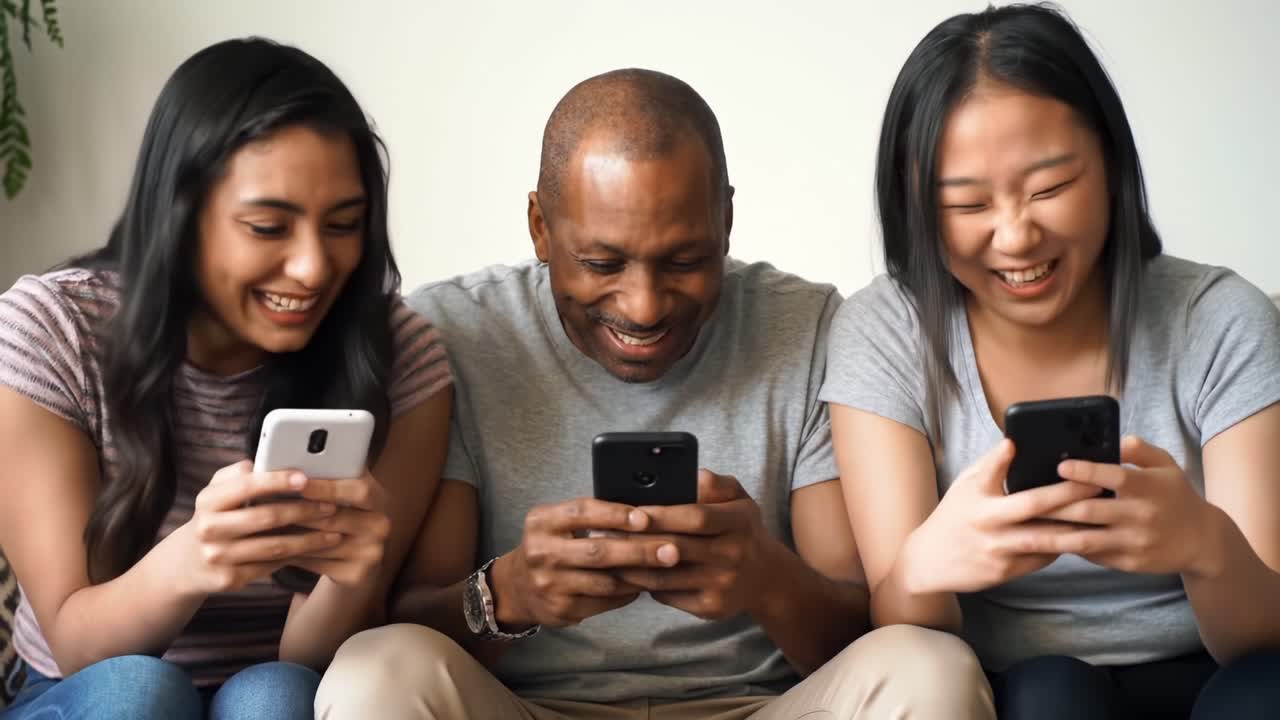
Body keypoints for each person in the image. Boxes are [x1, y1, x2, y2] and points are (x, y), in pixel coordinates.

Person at [315, 67, 993, 720]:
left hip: (760, 705)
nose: (643, 307)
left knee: (928, 667)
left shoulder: (807, 327)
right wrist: (511, 593)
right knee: (377, 668)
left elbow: (860, 631)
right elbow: (410, 615)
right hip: (524, 706)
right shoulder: (458, 333)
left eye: (686, 261)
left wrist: (763, 577)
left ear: (726, 220)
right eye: (603, 263)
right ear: (540, 227)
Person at [821, 5, 1280, 719]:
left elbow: (1263, 636)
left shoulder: (1220, 319)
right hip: (1023, 684)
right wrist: (925, 565)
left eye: (1050, 189)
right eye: (967, 204)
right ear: (915, 209)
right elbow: (910, 638)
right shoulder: (886, 333)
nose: (1016, 236)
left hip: (1221, 665)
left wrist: (1205, 544)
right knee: (1049, 696)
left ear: (1111, 166)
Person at [0, 38, 453, 719]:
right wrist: (194, 560)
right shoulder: (50, 330)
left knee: (277, 695)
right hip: (87, 690)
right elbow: (73, 645)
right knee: (140, 692)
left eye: (344, 225)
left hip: (275, 690)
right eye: (268, 227)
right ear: (179, 218)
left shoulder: (400, 357)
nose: (312, 267)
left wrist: (348, 580)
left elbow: (308, 662)